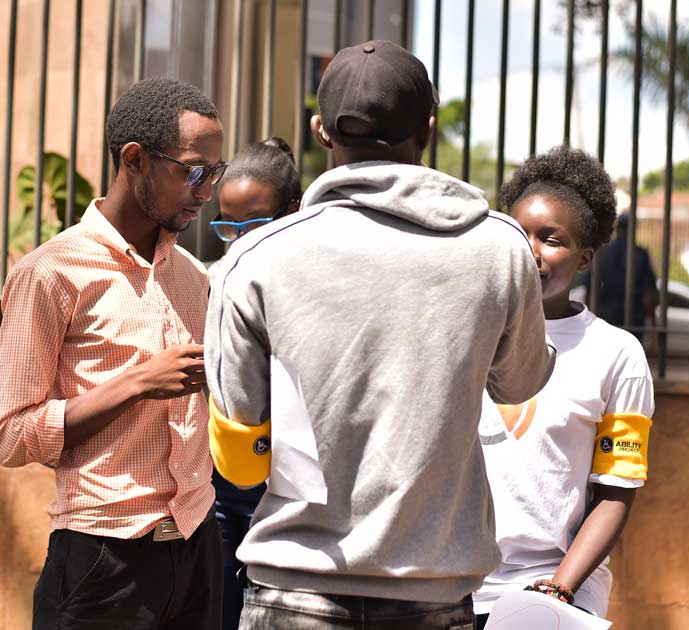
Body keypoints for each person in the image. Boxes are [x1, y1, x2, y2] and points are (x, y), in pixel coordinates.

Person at [205, 40, 556, 630]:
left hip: (294, 589)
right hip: (434, 590)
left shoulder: (255, 260)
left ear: (322, 132)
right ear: (427, 128)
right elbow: (519, 386)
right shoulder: (499, 249)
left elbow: (239, 464)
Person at [0, 78, 226, 630]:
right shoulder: (50, 274)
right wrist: (137, 383)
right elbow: (10, 437)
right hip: (103, 561)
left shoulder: (193, 278)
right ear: (135, 159)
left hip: (198, 547)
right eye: (192, 170)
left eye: (213, 172)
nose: (205, 190)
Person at [472, 147, 654, 628]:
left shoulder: (616, 355)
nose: (531, 251)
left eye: (551, 240)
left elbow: (615, 493)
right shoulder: (465, 333)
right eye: (519, 234)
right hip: (452, 585)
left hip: (553, 591)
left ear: (585, 257)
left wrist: (558, 589)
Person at [207, 136, 300, 630]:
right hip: (226, 490)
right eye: (228, 227)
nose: (242, 241)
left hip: (295, 490)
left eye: (256, 224)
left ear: (294, 211)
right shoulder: (215, 281)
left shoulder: (318, 284)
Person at [587, 213, 658, 337]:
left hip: (605, 320)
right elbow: (648, 295)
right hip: (633, 320)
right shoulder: (640, 254)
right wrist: (653, 327)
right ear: (634, 229)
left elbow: (589, 289)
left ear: (617, 229)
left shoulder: (602, 254)